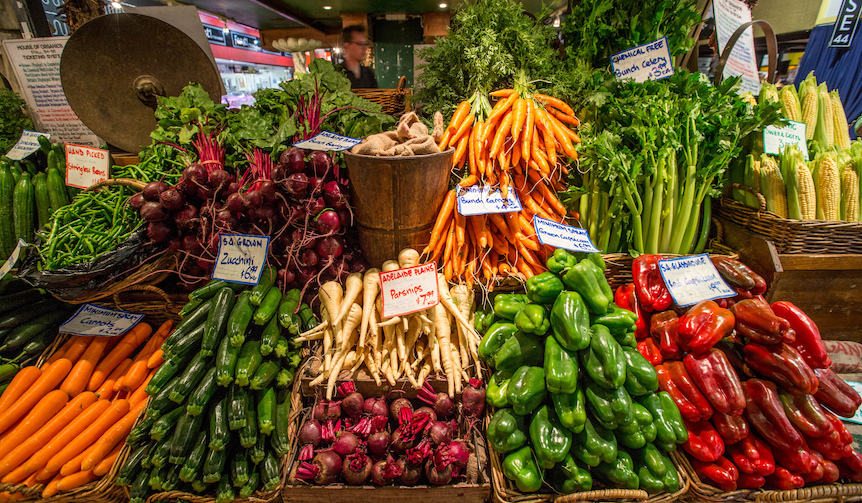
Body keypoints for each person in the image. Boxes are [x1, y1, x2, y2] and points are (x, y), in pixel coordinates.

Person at [339, 25, 378, 89]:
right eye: (360, 44)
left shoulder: (368, 73)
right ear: (347, 45)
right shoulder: (337, 73)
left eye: (365, 44)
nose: (365, 49)